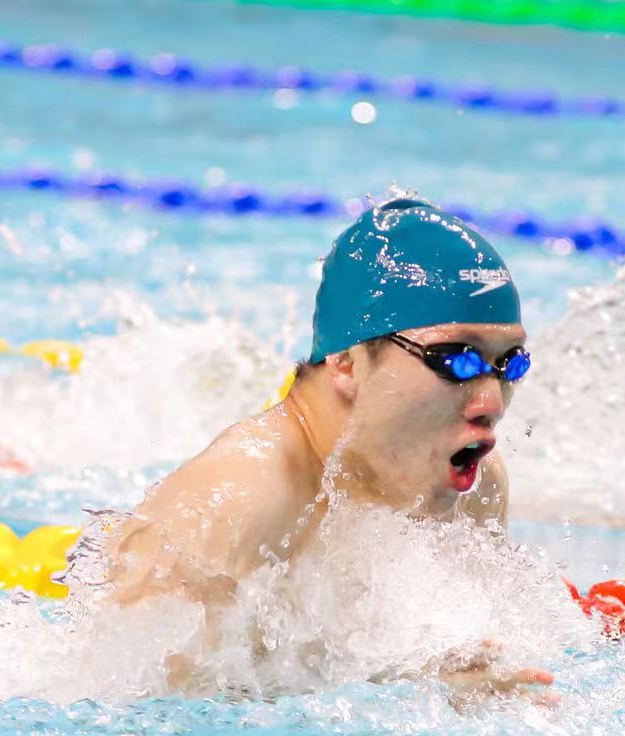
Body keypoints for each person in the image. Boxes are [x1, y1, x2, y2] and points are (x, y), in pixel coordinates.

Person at [106, 198, 553, 698]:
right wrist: (404, 694)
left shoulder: (476, 488)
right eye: (457, 360)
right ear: (346, 364)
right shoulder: (237, 503)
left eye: (509, 363)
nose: (491, 403)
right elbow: (140, 713)